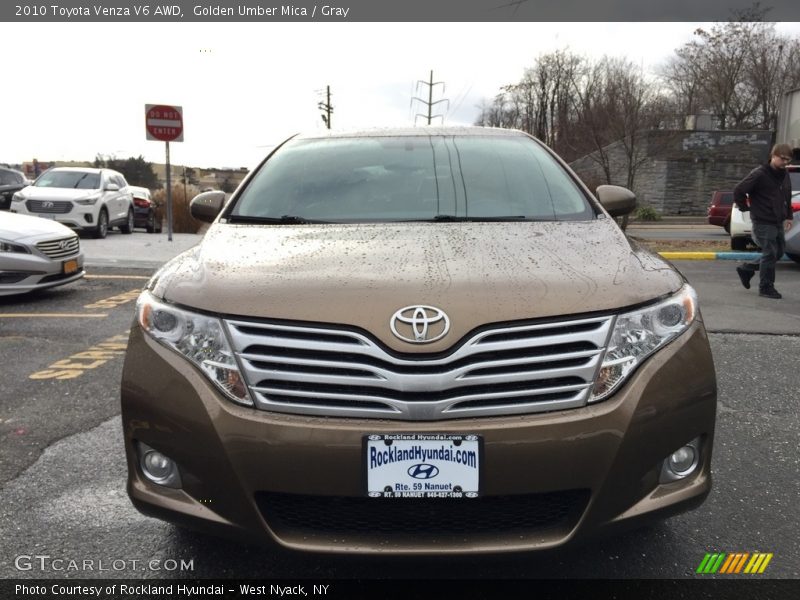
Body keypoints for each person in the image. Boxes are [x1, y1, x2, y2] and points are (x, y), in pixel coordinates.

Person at [734, 143, 794, 299]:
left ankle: (747, 268)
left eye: (788, 159)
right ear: (773, 156)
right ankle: (766, 287)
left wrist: (789, 215)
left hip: (777, 220)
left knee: (778, 252)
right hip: (763, 220)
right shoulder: (760, 173)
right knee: (770, 253)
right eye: (782, 158)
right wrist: (745, 208)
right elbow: (739, 190)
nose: (785, 162)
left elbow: (787, 195)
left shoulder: (784, 174)